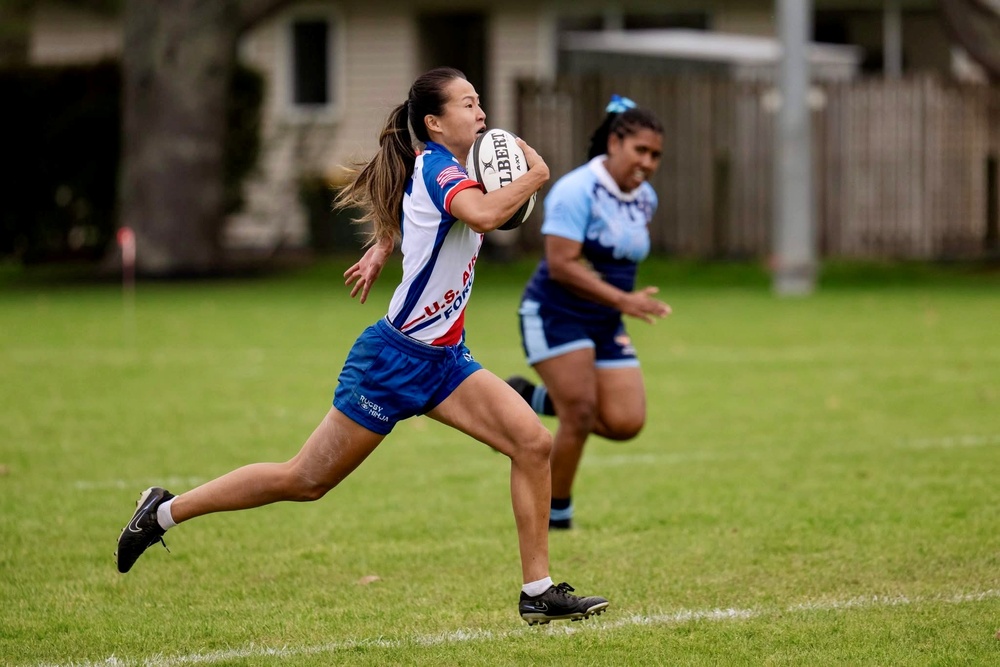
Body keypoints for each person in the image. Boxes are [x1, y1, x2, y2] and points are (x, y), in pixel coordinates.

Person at [115, 67, 609, 626]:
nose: (482, 113)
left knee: (533, 444)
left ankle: (537, 592)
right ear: (434, 122)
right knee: (305, 480)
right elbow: (486, 215)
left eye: (479, 102)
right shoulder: (439, 168)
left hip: (445, 361)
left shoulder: (439, 166)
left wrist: (384, 244)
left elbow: (418, 206)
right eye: (468, 104)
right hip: (393, 362)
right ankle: (163, 512)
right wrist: (537, 173)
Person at [506, 95, 671, 530]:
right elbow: (561, 265)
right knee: (578, 415)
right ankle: (557, 516)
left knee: (626, 422)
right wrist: (625, 301)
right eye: (640, 150)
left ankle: (530, 397)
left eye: (655, 155)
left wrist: (619, 302)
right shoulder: (576, 189)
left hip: (604, 319)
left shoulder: (645, 198)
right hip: (554, 313)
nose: (648, 162)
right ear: (615, 143)